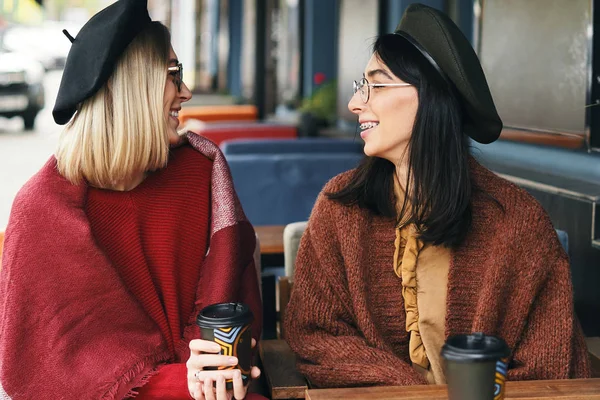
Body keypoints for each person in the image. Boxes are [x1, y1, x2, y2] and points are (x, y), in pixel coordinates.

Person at [284, 3, 591, 388]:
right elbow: (315, 334)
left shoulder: (518, 222)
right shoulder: (341, 207)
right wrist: (412, 393)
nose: (355, 103)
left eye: (376, 85)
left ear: (431, 96)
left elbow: (551, 364)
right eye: (360, 85)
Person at [0, 1, 265, 399]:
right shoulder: (41, 209)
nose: (186, 92)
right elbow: (48, 370)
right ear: (131, 86)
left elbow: (239, 312)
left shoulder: (202, 172)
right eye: (173, 75)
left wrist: (212, 370)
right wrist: (182, 382)